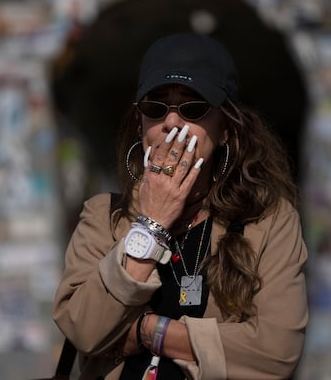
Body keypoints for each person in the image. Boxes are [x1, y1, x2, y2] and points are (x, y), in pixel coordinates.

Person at [52, 32, 309, 380]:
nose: (171, 123)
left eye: (193, 108)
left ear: (225, 130)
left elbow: (276, 352)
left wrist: (149, 331)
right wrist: (152, 224)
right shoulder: (103, 217)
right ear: (141, 124)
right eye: (155, 108)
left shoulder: (268, 222)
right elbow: (82, 327)